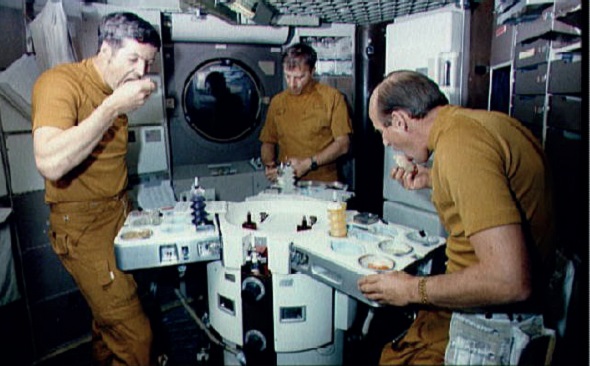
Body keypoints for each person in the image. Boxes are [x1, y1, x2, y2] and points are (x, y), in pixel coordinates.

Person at [358, 70, 555, 364]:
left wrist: (411, 290)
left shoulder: (458, 148)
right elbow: (501, 188)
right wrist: (433, 179)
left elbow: (510, 280)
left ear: (400, 120)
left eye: (382, 131)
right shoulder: (484, 124)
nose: (386, 142)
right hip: (509, 312)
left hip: (493, 328)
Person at [31, 12, 161, 365]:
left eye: (147, 63)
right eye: (133, 59)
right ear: (106, 49)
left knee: (109, 325)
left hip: (119, 213)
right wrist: (112, 108)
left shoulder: (114, 91)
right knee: (136, 336)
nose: (141, 72)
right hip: (85, 229)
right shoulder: (59, 83)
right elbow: (50, 162)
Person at [259, 42, 352, 182]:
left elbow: (343, 144)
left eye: (299, 77)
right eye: (288, 76)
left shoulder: (332, 98)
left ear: (312, 72)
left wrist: (308, 164)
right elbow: (268, 142)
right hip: (287, 182)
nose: (292, 84)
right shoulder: (278, 102)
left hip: (323, 183)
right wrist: (270, 165)